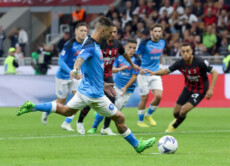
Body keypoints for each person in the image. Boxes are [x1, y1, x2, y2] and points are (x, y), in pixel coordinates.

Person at [17, 17, 155, 153]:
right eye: (109, 32)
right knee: (120, 117)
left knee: (66, 110)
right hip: (94, 95)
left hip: (84, 89)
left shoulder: (93, 43)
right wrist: (75, 70)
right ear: (102, 30)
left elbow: (94, 69)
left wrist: (103, 84)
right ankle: (137, 145)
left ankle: (33, 107)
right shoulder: (90, 46)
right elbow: (79, 59)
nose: (111, 36)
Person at [78, 26, 139, 135]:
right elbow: (88, 55)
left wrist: (132, 64)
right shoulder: (100, 43)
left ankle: (105, 128)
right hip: (96, 73)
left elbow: (124, 55)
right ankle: (80, 121)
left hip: (107, 73)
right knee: (90, 98)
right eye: (111, 32)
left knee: (112, 99)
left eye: (115, 32)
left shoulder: (118, 44)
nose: (113, 34)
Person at [147, 42, 218, 132]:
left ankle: (173, 127)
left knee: (183, 110)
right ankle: (178, 120)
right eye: (183, 51)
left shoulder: (200, 61)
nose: (185, 53)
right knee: (176, 113)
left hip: (200, 89)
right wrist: (153, 73)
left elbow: (215, 72)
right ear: (180, 52)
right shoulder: (179, 63)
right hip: (188, 88)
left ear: (191, 51)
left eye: (187, 51)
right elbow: (166, 71)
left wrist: (211, 89)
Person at [41, 22, 88, 132]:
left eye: (85, 31)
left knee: (79, 99)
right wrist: (71, 71)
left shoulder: (86, 44)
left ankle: (66, 123)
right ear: (76, 32)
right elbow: (61, 61)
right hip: (63, 76)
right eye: (81, 30)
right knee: (61, 102)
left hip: (76, 77)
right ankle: (47, 109)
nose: (83, 33)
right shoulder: (69, 44)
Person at [136, 24, 165, 128]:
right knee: (144, 98)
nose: (157, 33)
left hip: (156, 72)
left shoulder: (162, 42)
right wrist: (140, 68)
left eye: (159, 31)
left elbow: (160, 54)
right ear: (151, 32)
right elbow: (137, 55)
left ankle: (149, 115)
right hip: (144, 73)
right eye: (155, 31)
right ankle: (140, 121)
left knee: (158, 95)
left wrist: (161, 66)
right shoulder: (145, 42)